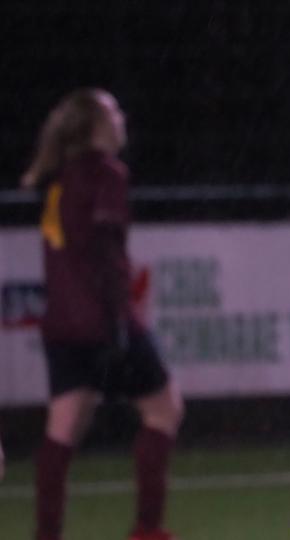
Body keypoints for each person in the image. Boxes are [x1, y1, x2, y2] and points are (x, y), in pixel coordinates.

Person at [21, 88, 183, 540]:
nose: (121, 117)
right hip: (102, 321)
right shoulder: (105, 175)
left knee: (62, 432)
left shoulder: (59, 179)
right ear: (95, 125)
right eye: (112, 111)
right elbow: (106, 255)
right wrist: (118, 325)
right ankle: (147, 529)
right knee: (165, 410)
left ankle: (45, 535)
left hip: (62, 326)